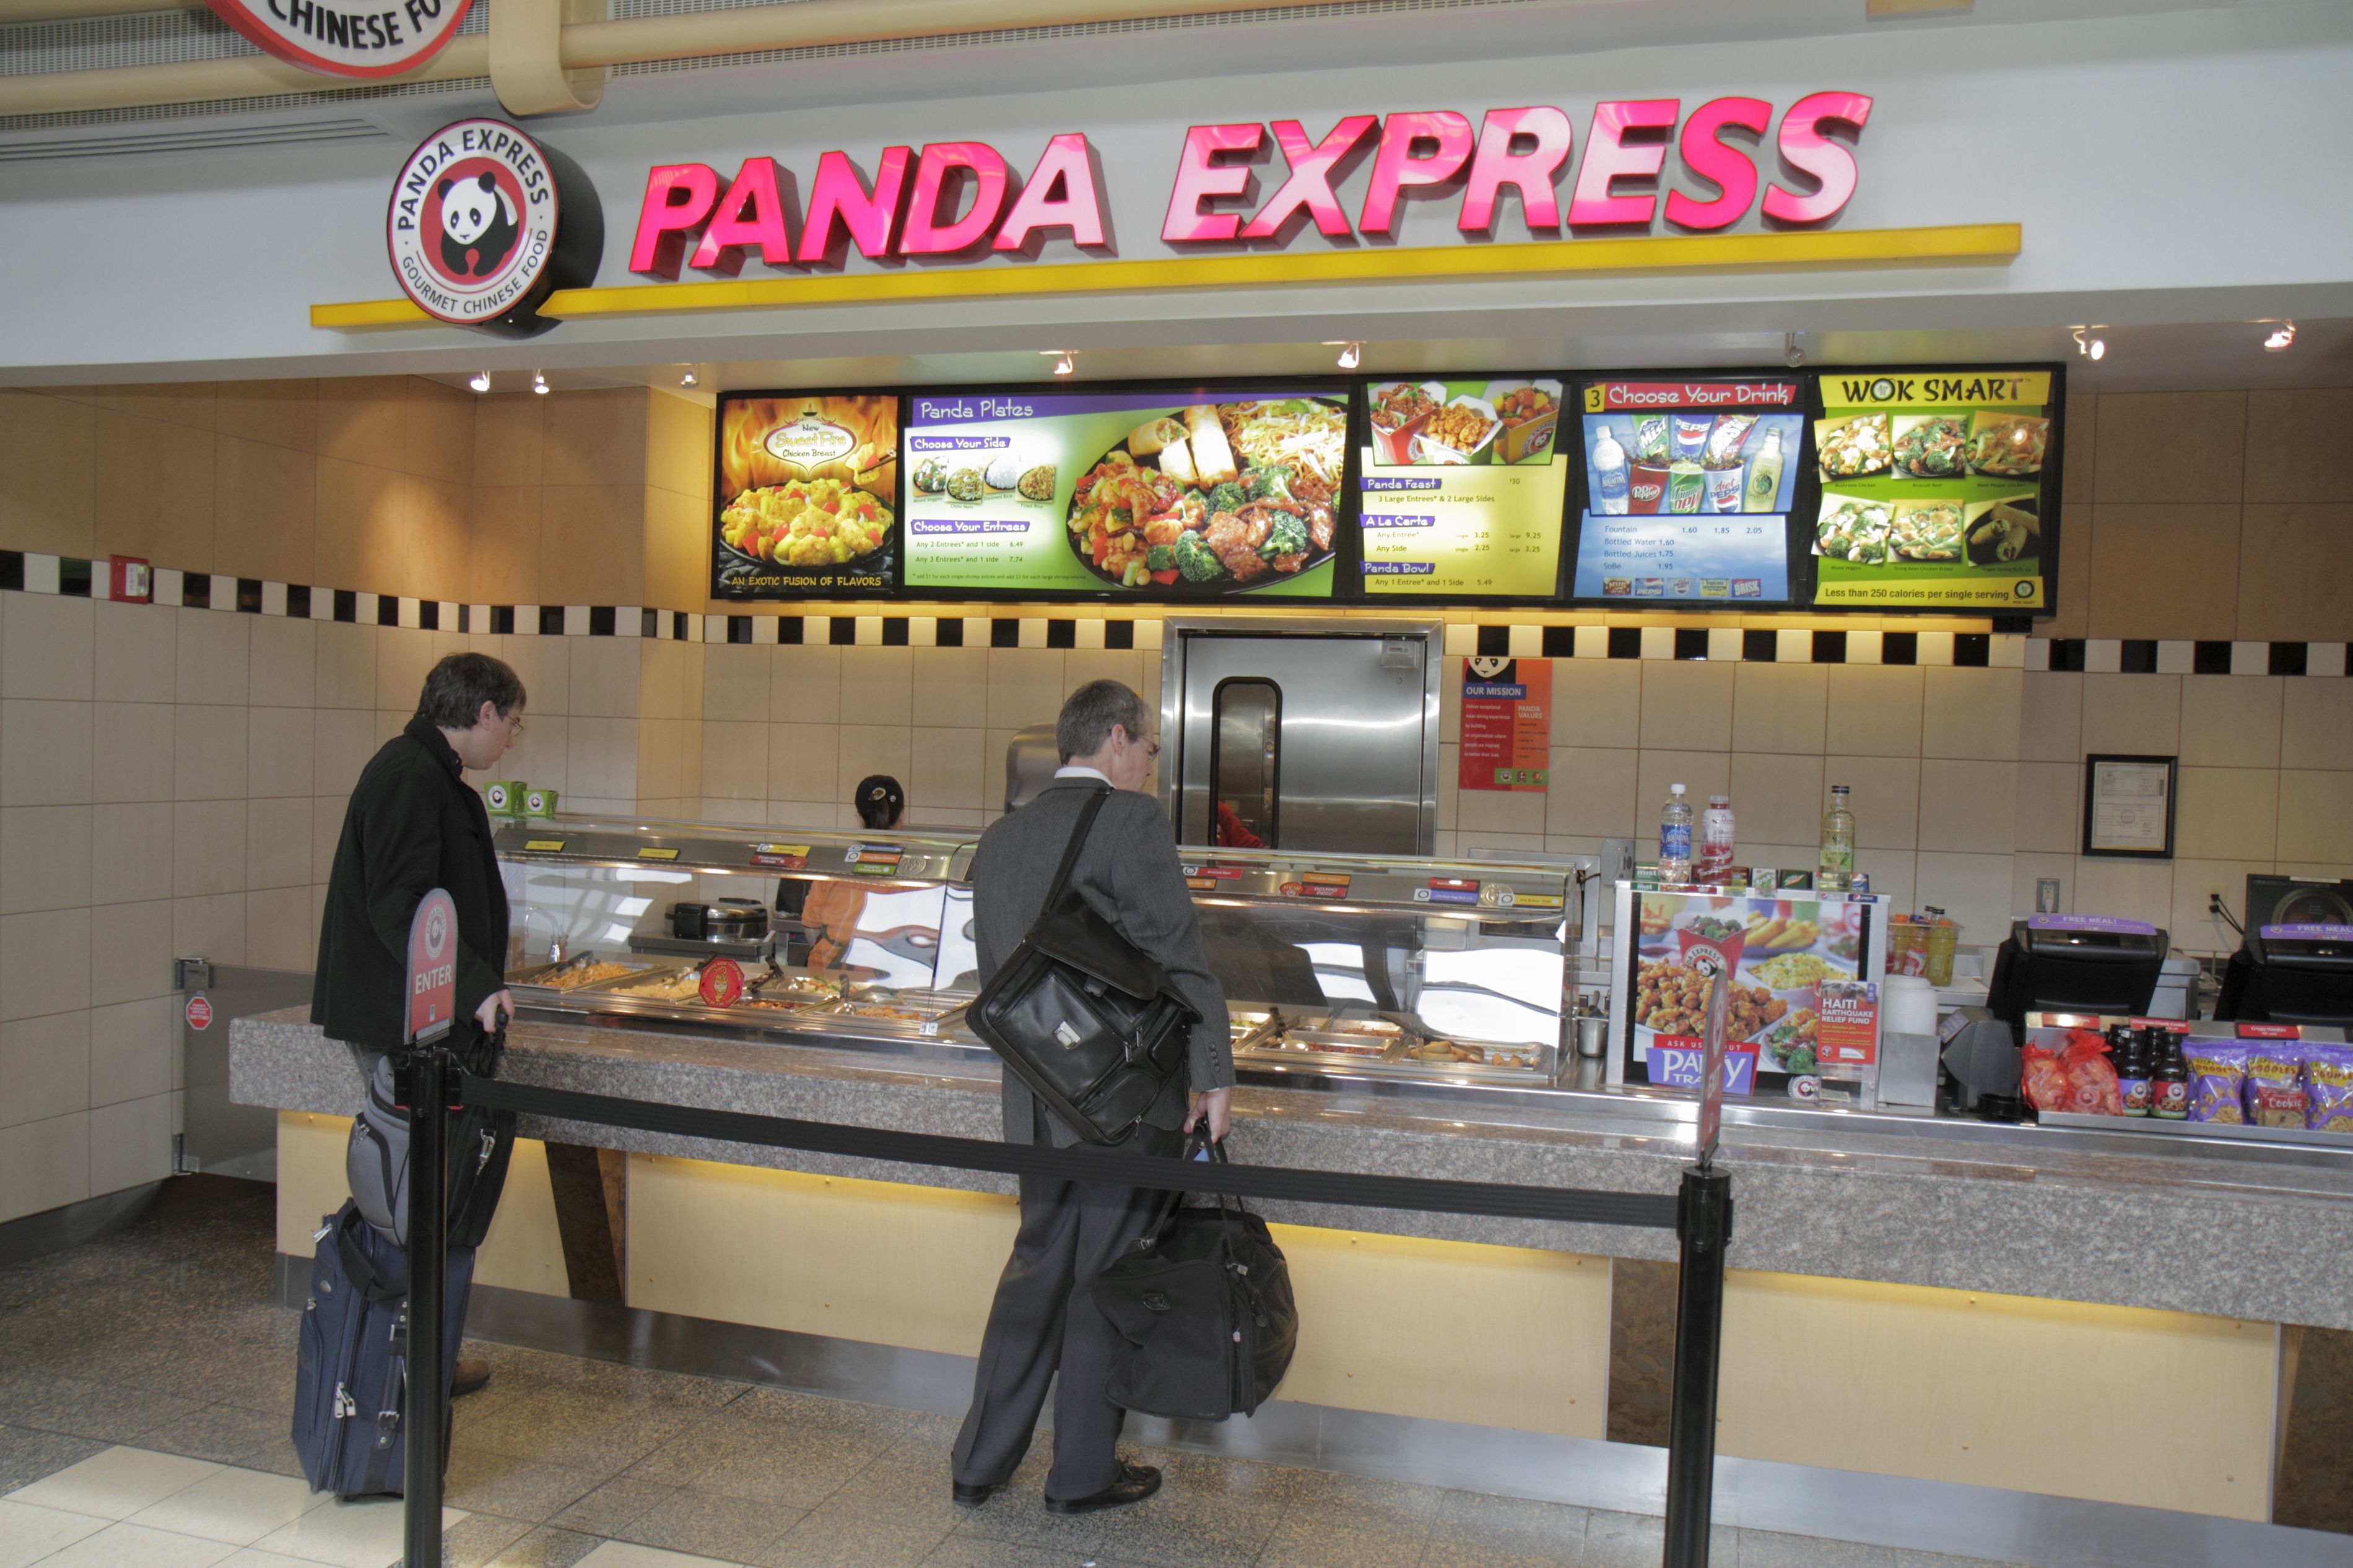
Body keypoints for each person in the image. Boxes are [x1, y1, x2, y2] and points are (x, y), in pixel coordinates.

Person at [949, 680, 1234, 1516]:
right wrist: (1212, 1073)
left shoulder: (999, 839)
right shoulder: (1132, 822)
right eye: (1150, 747)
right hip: (1119, 1103)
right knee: (1104, 1277)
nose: (1150, 763)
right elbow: (1179, 959)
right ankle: (1079, 1474)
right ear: (1117, 738)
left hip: (1037, 1101)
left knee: (1034, 1270)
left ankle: (979, 1460)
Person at [313, 652, 526, 1400]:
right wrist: (474, 988)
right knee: (408, 1201)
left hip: (426, 1024)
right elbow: (400, 904)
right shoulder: (409, 776)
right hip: (401, 1026)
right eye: (511, 723)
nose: (510, 739)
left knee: (425, 1201)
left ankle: (419, 1360)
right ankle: (391, 1371)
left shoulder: (432, 776)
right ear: (483, 712)